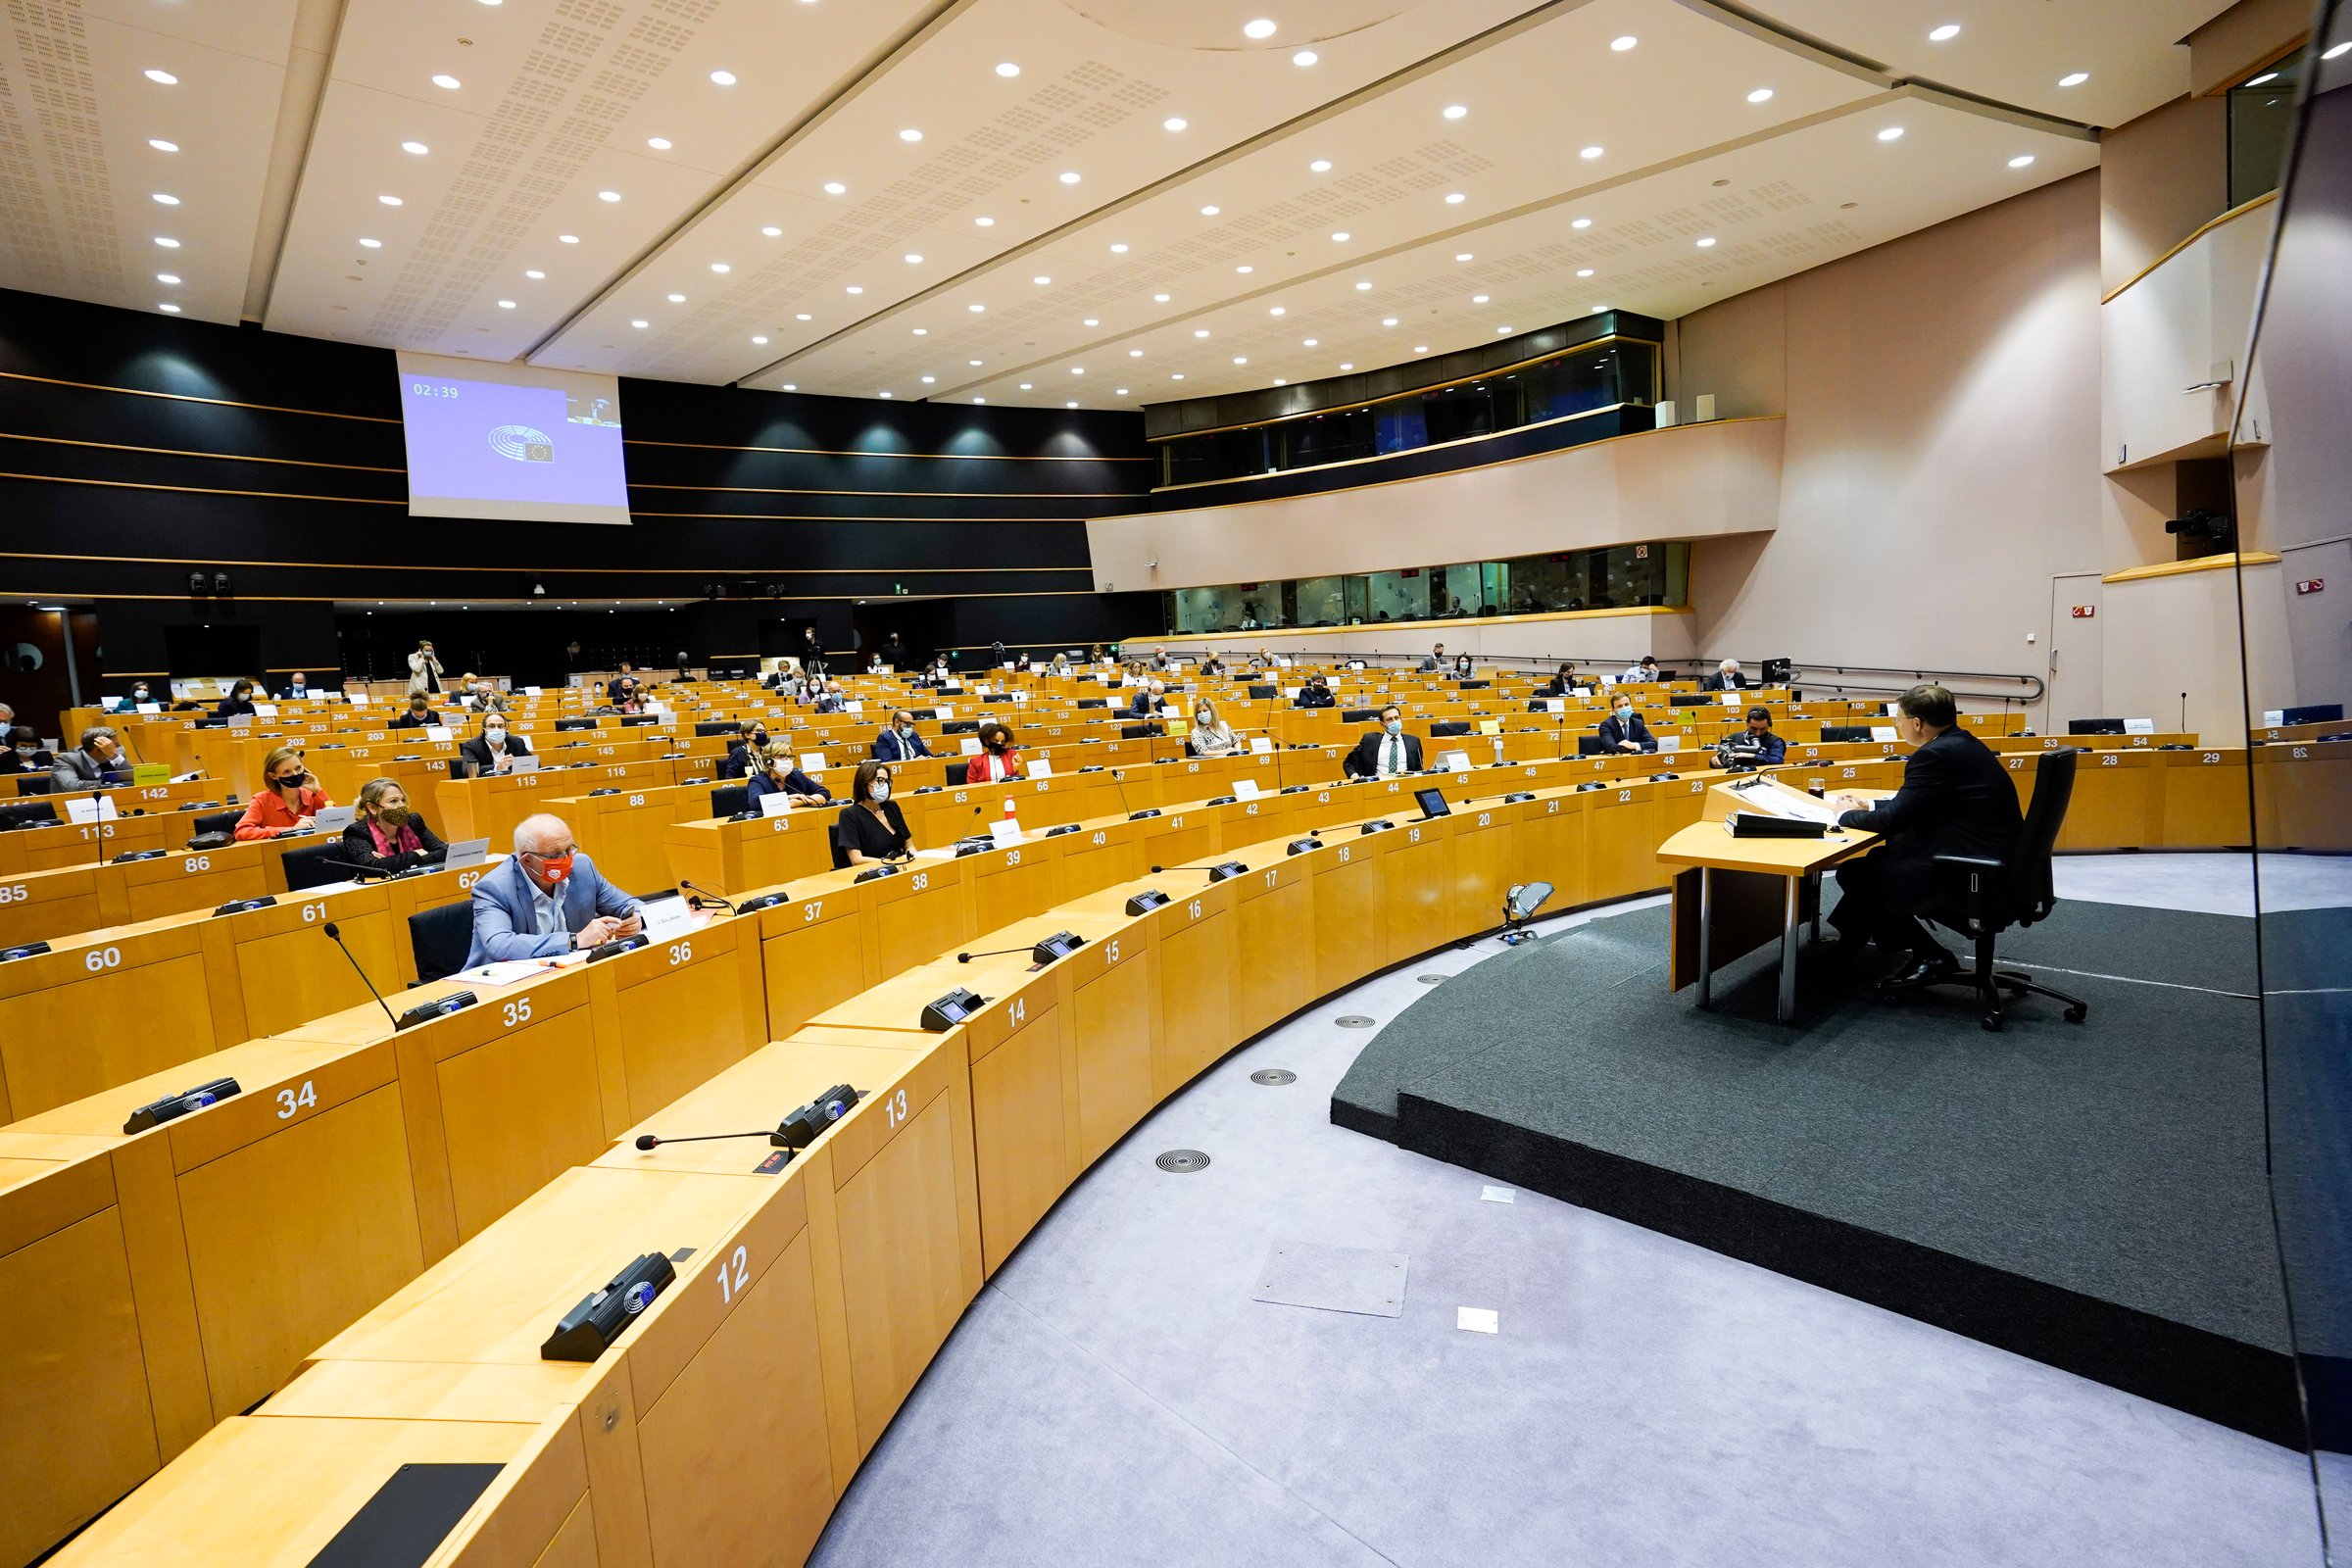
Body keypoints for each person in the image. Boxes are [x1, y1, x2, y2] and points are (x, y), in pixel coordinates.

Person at [1827, 684, 2023, 985]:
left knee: (1860, 873)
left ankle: (1929, 954)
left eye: (1898, 718)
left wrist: (1842, 815)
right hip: (2000, 865)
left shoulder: (1933, 755)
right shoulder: (1962, 743)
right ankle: (1852, 943)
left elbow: (1893, 820)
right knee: (1875, 861)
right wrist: (1872, 805)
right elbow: (1927, 800)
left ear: (1916, 723)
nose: (1896, 724)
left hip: (1972, 872)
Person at [234, 746, 330, 840]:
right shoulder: (261, 800)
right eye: (287, 772)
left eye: (298, 768)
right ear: (273, 776)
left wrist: (318, 791)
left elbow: (335, 821)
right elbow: (242, 831)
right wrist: (290, 830)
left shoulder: (311, 795)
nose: (295, 774)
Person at [834, 760, 913, 866]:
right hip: (875, 872)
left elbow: (909, 845)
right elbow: (856, 860)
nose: (884, 785)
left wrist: (912, 857)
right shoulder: (849, 815)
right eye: (880, 780)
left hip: (901, 866)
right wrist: (892, 863)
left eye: (887, 781)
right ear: (865, 783)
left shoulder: (892, 807)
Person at [1346, 706, 1422, 779]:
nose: (1394, 721)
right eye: (1389, 719)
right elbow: (1348, 762)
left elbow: (1419, 769)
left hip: (1406, 785)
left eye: (1396, 718)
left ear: (1401, 719)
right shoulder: (1369, 741)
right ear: (1382, 724)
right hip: (1377, 786)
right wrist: (1355, 777)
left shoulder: (1414, 742)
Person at [747, 753, 832, 810]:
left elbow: (824, 793)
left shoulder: (796, 776)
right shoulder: (758, 781)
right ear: (770, 761)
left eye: (790, 757)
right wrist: (790, 797)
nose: (787, 760)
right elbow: (756, 803)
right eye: (782, 756)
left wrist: (801, 802)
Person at [51, 724, 128, 787]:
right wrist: (109, 784)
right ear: (98, 748)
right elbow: (73, 786)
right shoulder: (65, 760)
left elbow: (133, 779)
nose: (116, 751)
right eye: (113, 747)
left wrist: (116, 756)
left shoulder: (113, 758)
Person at [459, 712, 532, 776]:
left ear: (506, 729)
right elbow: (468, 771)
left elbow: (533, 764)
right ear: (484, 729)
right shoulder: (472, 746)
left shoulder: (517, 742)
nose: (496, 729)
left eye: (500, 726)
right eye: (491, 726)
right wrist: (497, 767)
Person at [1714, 707, 1788, 768]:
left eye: (1762, 729)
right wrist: (1713, 760)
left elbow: (1778, 760)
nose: (1758, 733)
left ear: (1769, 725)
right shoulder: (1734, 738)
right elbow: (1720, 759)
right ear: (1747, 723)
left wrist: (1753, 756)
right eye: (1754, 728)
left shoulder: (1775, 741)